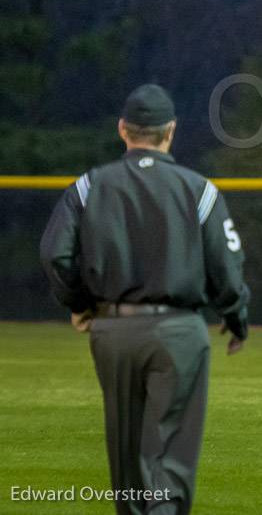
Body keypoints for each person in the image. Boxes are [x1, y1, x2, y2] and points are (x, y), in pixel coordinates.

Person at [39, 84, 250, 514]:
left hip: (113, 330)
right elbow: (227, 267)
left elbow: (54, 253)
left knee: (128, 466)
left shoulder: (88, 186)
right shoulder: (199, 189)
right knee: (169, 461)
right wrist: (235, 314)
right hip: (177, 332)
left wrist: (80, 303)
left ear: (123, 130)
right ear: (171, 130)